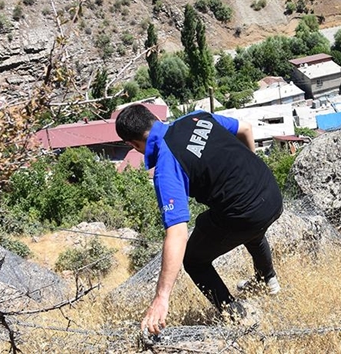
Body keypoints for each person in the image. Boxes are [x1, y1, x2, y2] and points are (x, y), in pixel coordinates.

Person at [115, 104, 283, 335]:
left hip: (247, 213)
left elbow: (177, 233)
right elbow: (245, 128)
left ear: (133, 144)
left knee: (194, 260)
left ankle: (236, 317)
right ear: (154, 118)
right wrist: (250, 175)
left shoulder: (166, 165)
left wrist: (161, 298)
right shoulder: (197, 117)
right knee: (240, 223)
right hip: (272, 193)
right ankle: (268, 280)